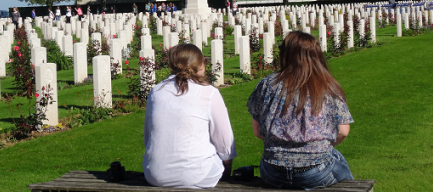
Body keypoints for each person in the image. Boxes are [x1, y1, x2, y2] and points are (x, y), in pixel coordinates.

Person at [247, 31, 354, 190]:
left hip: (273, 170)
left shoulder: (267, 85)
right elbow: (343, 131)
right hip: (316, 170)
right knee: (338, 164)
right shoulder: (327, 87)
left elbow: (257, 131)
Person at [143, 44, 236, 189]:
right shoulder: (209, 93)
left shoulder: (156, 91)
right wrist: (227, 167)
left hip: (154, 175)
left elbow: (148, 137)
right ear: (200, 65)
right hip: (195, 176)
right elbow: (224, 141)